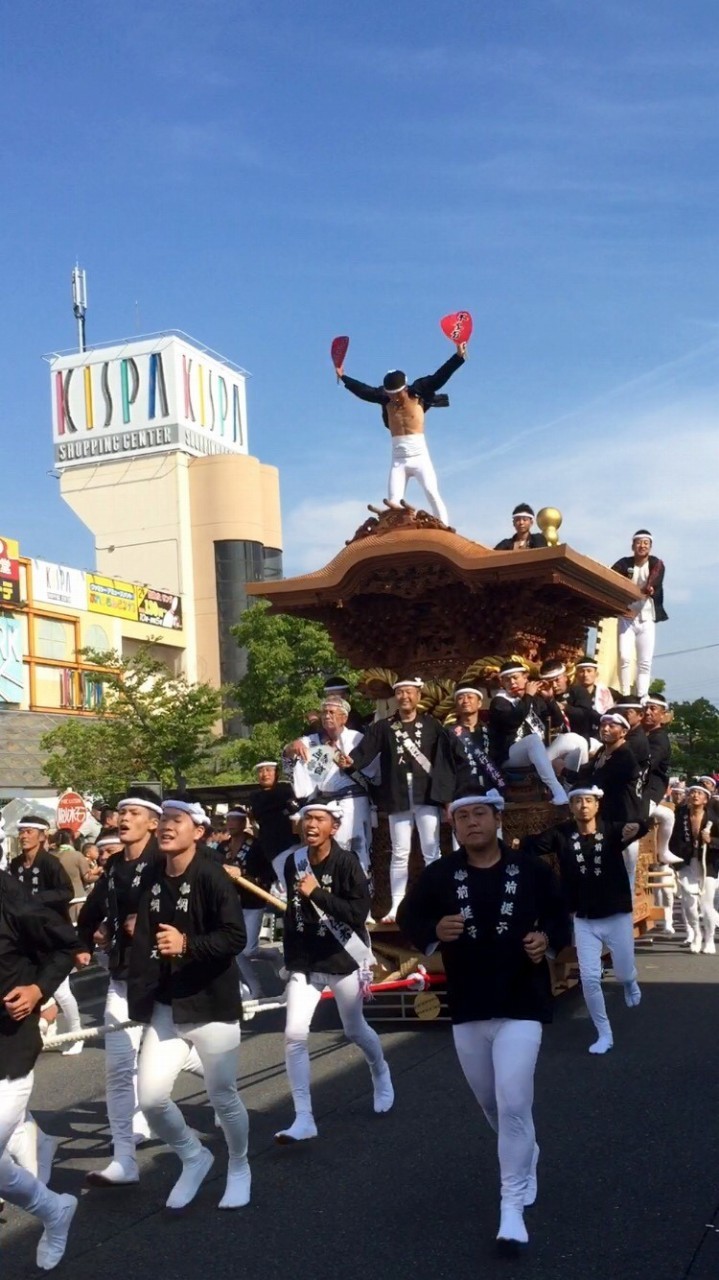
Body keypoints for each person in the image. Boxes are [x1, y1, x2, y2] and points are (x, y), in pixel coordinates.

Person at [397, 790, 570, 1252]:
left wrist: (545, 939)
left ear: (498, 820)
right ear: (453, 826)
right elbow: (409, 916)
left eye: (480, 814)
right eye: (462, 817)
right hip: (469, 1003)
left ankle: (511, 1206)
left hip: (522, 1000)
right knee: (493, 1106)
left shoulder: (529, 871)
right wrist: (433, 932)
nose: (471, 823)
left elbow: (558, 915)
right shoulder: (440, 875)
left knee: (514, 1101)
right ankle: (526, 1152)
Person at [129, 799, 250, 1211]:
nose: (165, 826)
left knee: (222, 1094)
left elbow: (237, 938)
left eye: (175, 821)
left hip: (213, 1003)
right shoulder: (151, 877)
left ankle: (239, 1165)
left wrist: (188, 946)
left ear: (198, 831)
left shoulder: (212, 877)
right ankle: (193, 1156)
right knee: (151, 1099)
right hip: (167, 1004)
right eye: (162, 820)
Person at [275, 802, 393, 1143]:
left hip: (343, 960)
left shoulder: (347, 863)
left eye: (319, 819)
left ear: (334, 828)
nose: (311, 824)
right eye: (307, 818)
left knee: (354, 1029)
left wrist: (318, 894)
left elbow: (357, 913)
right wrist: (290, 961)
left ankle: (379, 1069)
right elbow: (293, 916)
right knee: (295, 1035)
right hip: (305, 963)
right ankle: (303, 1118)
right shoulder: (292, 863)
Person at [77, 788, 170, 1184]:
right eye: (121, 812)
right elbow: (91, 912)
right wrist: (83, 942)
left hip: (165, 978)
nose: (124, 818)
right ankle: (124, 1159)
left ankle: (222, 1084)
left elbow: (195, 910)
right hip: (121, 976)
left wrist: (146, 924)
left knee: (172, 1057)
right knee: (118, 1068)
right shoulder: (113, 867)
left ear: (153, 822)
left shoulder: (169, 863)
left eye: (133, 812)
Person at [525, 787, 644, 1054]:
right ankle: (604, 1034)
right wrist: (516, 845)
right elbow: (534, 845)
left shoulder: (611, 830)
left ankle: (629, 981)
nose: (582, 806)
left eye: (588, 801)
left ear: (597, 805)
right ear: (570, 807)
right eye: (577, 801)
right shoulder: (562, 833)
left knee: (624, 970)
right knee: (589, 979)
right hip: (584, 918)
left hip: (617, 915)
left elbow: (640, 827)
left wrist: (636, 826)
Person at [0, 870, 79, 1269]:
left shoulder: (10, 895)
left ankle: (52, 1207)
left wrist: (37, 990)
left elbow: (66, 947)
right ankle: (54, 1209)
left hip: (8, 1050)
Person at [340, 676, 456, 922]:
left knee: (432, 851)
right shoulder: (384, 727)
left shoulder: (433, 725)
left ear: (418, 695)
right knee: (400, 852)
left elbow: (443, 762)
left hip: (427, 795)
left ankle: (437, 902)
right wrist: (351, 762)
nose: (405, 697)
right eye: (400, 693)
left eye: (409, 692)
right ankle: (397, 906)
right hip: (398, 796)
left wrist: (446, 797)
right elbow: (365, 752)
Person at [336, 341, 467, 525]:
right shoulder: (385, 399)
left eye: (397, 393)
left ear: (405, 388)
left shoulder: (418, 392)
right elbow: (364, 391)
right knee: (393, 500)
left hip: (420, 456)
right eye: (390, 394)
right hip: (398, 460)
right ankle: (395, 533)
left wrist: (458, 357)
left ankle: (445, 527)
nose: (394, 398)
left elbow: (440, 376)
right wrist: (344, 378)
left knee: (431, 492)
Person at [10, 816, 83, 1056]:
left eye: (29, 831)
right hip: (25, 934)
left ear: (42, 836)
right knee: (28, 982)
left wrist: (35, 900)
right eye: (21, 832)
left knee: (61, 989)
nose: (24, 836)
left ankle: (76, 1031)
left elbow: (66, 891)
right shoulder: (16, 864)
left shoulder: (51, 863)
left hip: (52, 934)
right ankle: (44, 1027)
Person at [286, 698, 376, 878]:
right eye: (324, 712)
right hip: (324, 802)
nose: (327, 716)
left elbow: (373, 770)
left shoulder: (357, 738)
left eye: (331, 712)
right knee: (326, 846)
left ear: (344, 717)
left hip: (353, 800)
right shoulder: (311, 740)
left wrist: (350, 764)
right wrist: (292, 746)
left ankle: (361, 887)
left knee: (356, 846)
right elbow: (288, 754)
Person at [487, 663, 570, 807]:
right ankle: (557, 790)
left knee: (574, 740)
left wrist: (550, 699)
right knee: (532, 740)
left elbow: (557, 723)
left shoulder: (535, 700)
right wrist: (528, 696)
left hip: (540, 754)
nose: (512, 682)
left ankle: (572, 790)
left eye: (515, 678)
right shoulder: (499, 702)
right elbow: (513, 720)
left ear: (526, 678)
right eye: (507, 680)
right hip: (510, 755)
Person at [221, 807, 275, 1000]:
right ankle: (256, 989)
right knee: (237, 951)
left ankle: (272, 954)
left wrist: (244, 876)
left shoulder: (256, 846)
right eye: (229, 820)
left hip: (253, 902)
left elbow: (269, 874)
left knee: (248, 950)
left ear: (244, 823)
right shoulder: (222, 847)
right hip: (231, 904)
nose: (231, 824)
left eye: (235, 820)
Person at [611, 530, 668, 698]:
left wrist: (644, 596)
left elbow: (652, 585)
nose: (642, 546)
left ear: (650, 547)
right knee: (624, 657)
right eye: (639, 542)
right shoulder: (624, 563)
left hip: (646, 616)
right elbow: (612, 577)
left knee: (644, 661)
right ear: (632, 545)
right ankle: (625, 693)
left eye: (646, 543)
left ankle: (642, 695)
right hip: (626, 615)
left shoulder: (656, 563)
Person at [668, 782, 717, 954]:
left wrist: (711, 841)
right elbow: (672, 839)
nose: (695, 795)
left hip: (708, 864)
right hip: (687, 863)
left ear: (705, 799)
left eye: (699, 793)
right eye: (693, 792)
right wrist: (675, 862)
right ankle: (696, 934)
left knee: (706, 905)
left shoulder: (714, 817)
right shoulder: (680, 815)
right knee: (689, 904)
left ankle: (709, 939)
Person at [447, 683, 506, 795]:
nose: (465, 701)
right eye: (460, 698)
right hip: (462, 793)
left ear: (479, 703)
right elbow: (445, 768)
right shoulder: (449, 734)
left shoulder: (491, 732)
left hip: (492, 791)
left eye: (470, 697)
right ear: (456, 705)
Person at [248, 762, 299, 881]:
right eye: (261, 771)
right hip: (270, 847)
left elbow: (297, 806)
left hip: (292, 843)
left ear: (277, 773)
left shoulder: (288, 790)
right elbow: (262, 813)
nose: (264, 774)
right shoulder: (255, 796)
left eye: (268, 770)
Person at [642, 693, 676, 866]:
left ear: (662, 714)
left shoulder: (659, 739)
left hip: (649, 791)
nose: (647, 712)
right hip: (639, 789)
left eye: (652, 709)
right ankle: (664, 851)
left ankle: (662, 851)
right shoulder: (641, 733)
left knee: (633, 823)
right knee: (668, 815)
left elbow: (646, 765)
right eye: (645, 708)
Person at [567, 655, 613, 750]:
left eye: (589, 671)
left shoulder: (605, 692)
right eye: (582, 671)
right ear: (576, 674)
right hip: (576, 737)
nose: (585, 675)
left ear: (596, 674)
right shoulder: (570, 693)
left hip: (599, 737)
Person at [49, 829, 92, 921]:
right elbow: (87, 877)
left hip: (58, 900)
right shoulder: (77, 855)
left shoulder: (51, 856)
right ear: (71, 840)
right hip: (77, 898)